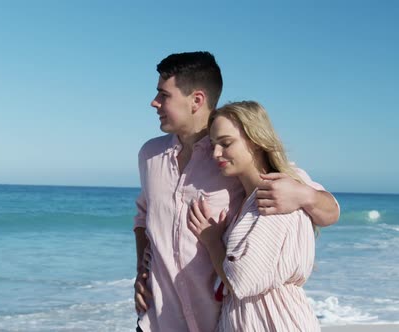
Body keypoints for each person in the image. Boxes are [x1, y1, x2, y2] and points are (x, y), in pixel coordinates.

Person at [134, 51, 338, 332]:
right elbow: (144, 218)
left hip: (219, 321)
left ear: (196, 100)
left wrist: (306, 196)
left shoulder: (236, 160)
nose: (154, 102)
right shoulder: (149, 155)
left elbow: (329, 211)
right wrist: (141, 273)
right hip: (158, 322)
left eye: (163, 95)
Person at [188, 101, 321, 331]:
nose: (216, 153)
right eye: (213, 145)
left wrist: (212, 242)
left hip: (274, 321)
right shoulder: (248, 199)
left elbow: (241, 281)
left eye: (226, 143)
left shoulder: (275, 193)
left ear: (255, 141)